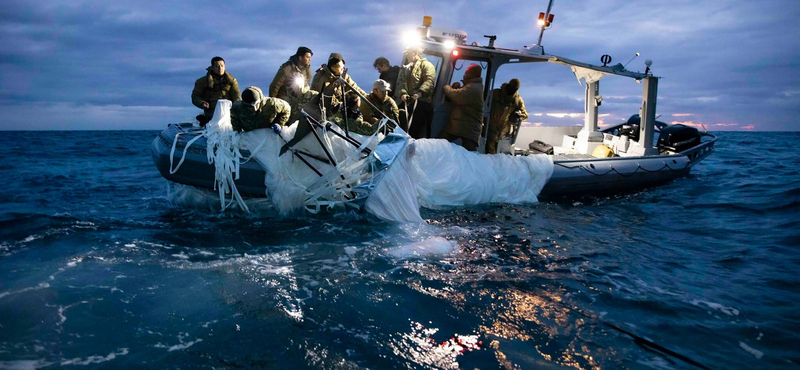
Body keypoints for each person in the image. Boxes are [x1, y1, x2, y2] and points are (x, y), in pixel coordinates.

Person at [441, 64, 484, 151]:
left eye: (467, 72)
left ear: (474, 75)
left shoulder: (474, 88)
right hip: (462, 127)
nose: (464, 74)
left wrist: (447, 87)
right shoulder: (471, 86)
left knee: (469, 156)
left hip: (468, 129)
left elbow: (457, 96)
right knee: (441, 142)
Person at [396, 46, 435, 139]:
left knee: (415, 129)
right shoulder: (406, 68)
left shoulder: (427, 65)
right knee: (398, 120)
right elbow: (401, 82)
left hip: (421, 102)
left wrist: (420, 92)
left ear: (415, 53)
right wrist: (403, 93)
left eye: (408, 53)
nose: (407, 56)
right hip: (407, 102)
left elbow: (429, 80)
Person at [311, 53, 367, 117]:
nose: (343, 69)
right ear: (333, 68)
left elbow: (354, 88)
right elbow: (322, 98)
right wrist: (341, 105)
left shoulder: (343, 76)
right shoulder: (320, 78)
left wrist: (366, 97)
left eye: (343, 67)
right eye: (341, 68)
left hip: (340, 110)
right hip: (323, 112)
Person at [192, 56, 241, 125]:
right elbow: (195, 96)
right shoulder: (202, 81)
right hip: (212, 111)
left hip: (229, 111)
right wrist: (202, 103)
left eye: (222, 66)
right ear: (212, 67)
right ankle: (205, 121)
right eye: (217, 66)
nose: (220, 68)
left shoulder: (232, 81)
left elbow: (236, 95)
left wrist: (237, 106)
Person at [485, 79, 529, 154]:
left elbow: (525, 115)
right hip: (489, 127)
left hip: (503, 132)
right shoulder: (495, 93)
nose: (512, 90)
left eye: (515, 88)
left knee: (499, 153)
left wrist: (519, 115)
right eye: (511, 87)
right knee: (489, 151)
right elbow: (484, 103)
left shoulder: (517, 100)